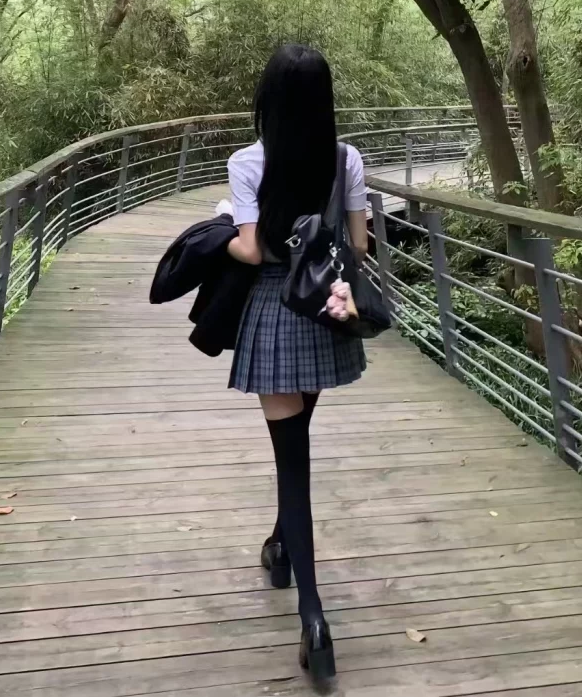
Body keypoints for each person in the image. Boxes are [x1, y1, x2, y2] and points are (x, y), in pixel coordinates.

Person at [226, 43, 369, 684]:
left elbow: (252, 250)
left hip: (273, 312)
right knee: (298, 443)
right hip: (326, 312)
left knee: (292, 463)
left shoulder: (247, 162)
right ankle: (280, 546)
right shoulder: (346, 160)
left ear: (270, 102)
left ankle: (313, 617)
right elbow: (358, 244)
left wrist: (221, 234)